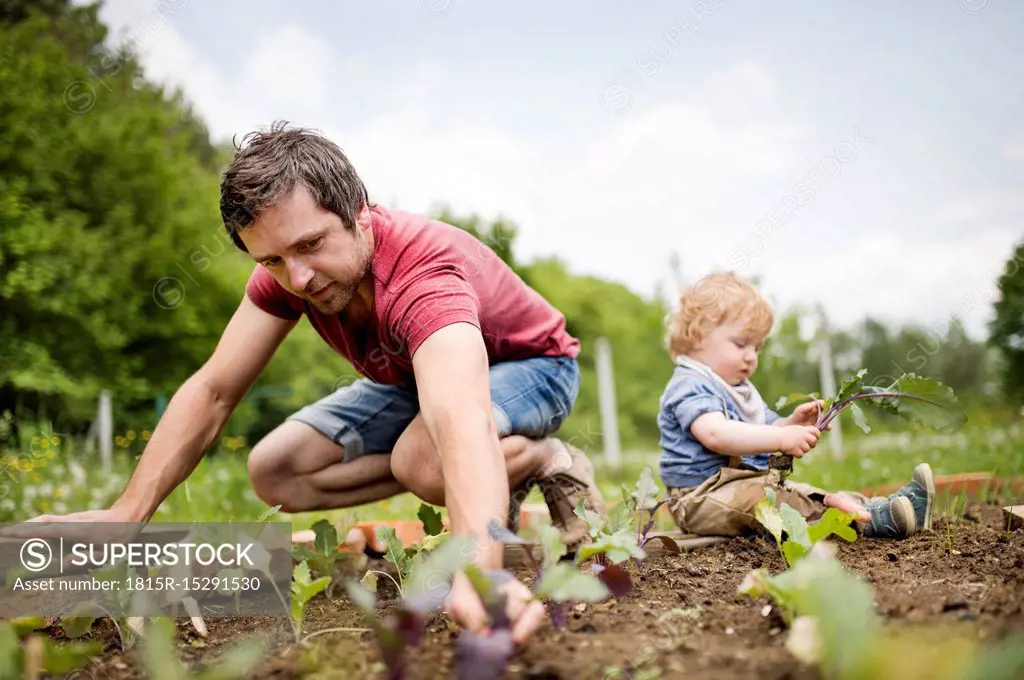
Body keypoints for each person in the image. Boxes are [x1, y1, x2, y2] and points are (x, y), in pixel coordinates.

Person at [22, 122, 606, 644]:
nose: (297, 277)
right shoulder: (289, 272)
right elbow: (214, 390)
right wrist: (127, 514)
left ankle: (539, 457)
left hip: (534, 368)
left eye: (310, 246)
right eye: (271, 260)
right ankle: (490, 464)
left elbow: (460, 416)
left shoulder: (424, 279)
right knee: (274, 472)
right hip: (410, 377)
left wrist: (482, 570)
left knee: (425, 463)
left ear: (359, 212)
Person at [656, 271, 935, 541]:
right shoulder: (689, 384)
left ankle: (880, 508)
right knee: (773, 503)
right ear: (698, 335)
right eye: (741, 344)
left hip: (742, 486)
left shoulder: (737, 387)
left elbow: (765, 427)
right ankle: (866, 522)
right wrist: (780, 437)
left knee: (801, 493)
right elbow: (715, 434)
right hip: (699, 499)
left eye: (757, 348)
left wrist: (789, 425)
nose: (751, 357)